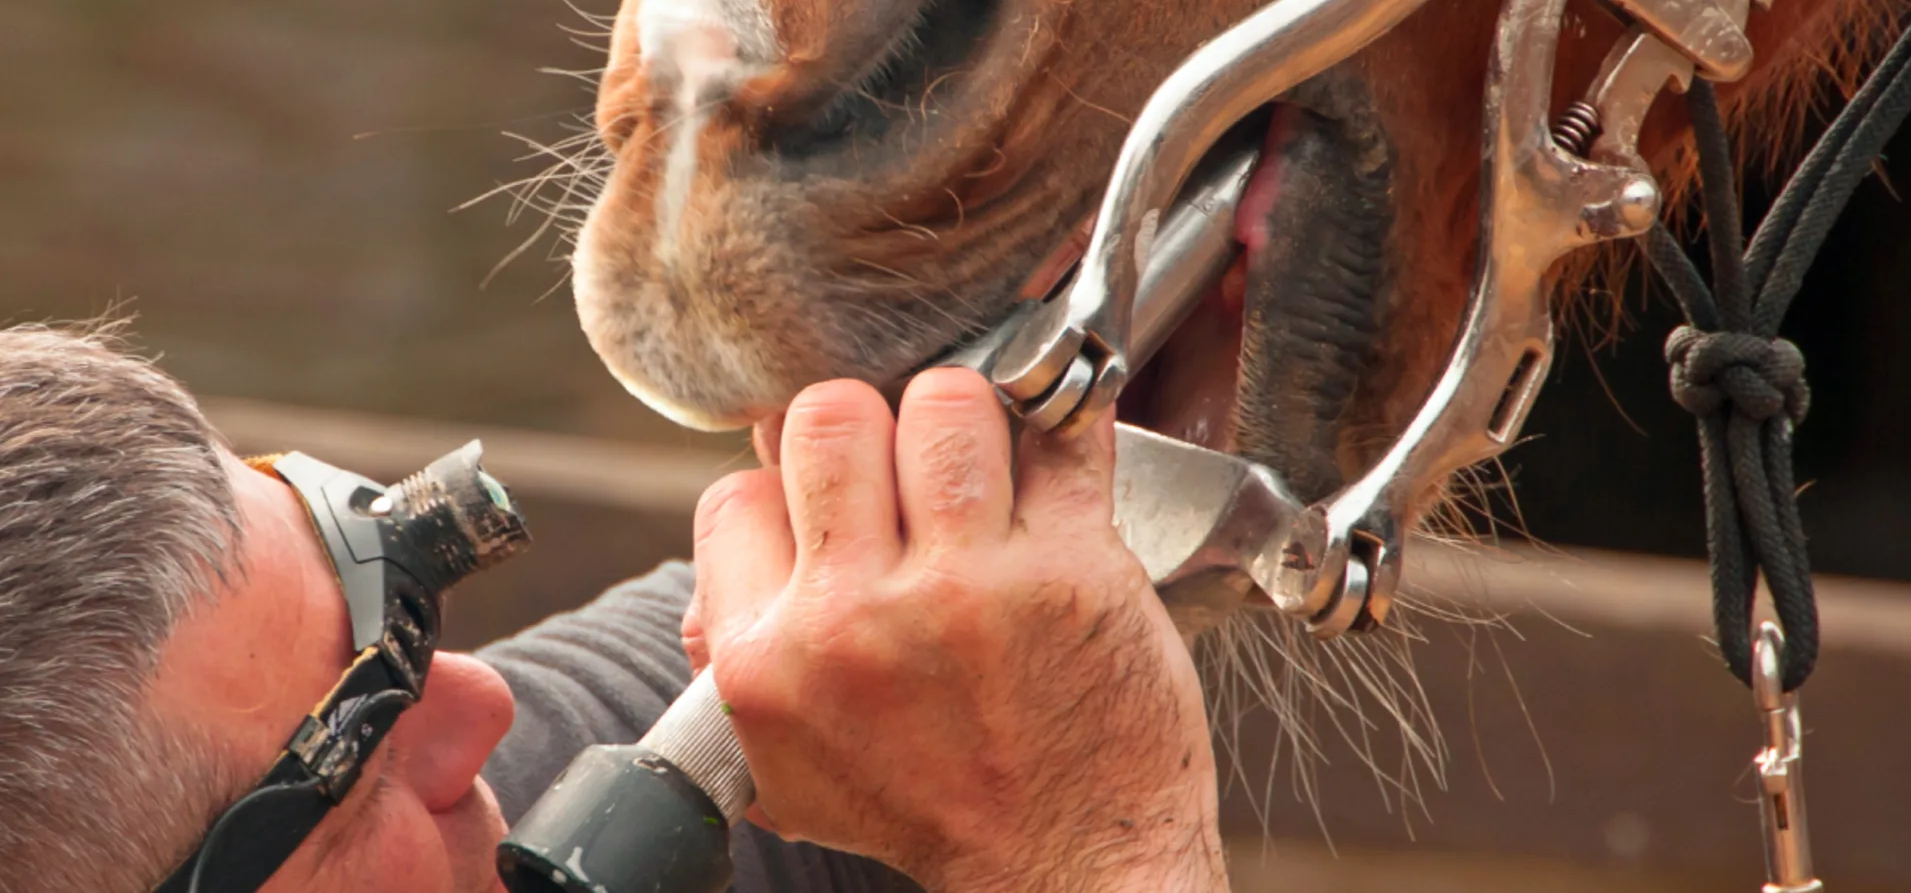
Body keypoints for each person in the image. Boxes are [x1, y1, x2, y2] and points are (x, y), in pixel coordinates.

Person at [0, 321, 1229, 893]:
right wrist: (1098, 848)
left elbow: (920, 626)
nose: (479, 705)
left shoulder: (500, 823)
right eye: (352, 748)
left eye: (394, 612)